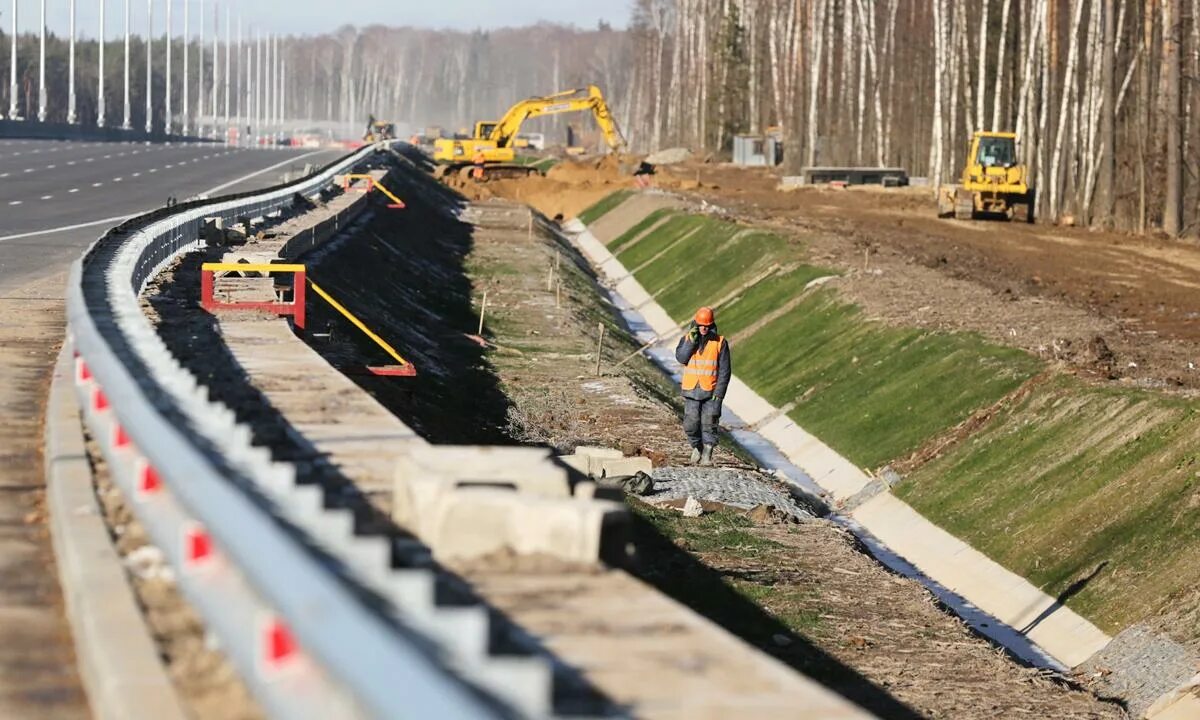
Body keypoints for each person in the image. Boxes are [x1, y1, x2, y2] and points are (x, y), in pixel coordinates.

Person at [675, 306, 731, 465]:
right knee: (690, 423)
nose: (704, 328)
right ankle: (696, 446)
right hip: (692, 389)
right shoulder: (687, 339)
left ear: (712, 325)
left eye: (707, 325)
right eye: (701, 325)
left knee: (709, 421)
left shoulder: (720, 342)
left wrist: (719, 392)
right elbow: (681, 358)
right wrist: (690, 342)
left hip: (711, 391)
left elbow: (725, 370)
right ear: (695, 324)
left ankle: (707, 453)